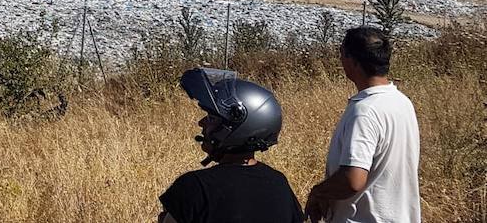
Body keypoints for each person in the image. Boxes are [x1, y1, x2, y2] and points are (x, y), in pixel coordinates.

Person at [158, 67, 305, 223]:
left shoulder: (195, 187)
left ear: (236, 126)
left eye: (212, 118)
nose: (201, 123)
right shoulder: (279, 183)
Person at [305, 27, 421, 222]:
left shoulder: (365, 111)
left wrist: (318, 193)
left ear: (353, 61)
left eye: (342, 53)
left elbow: (353, 179)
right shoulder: (402, 101)